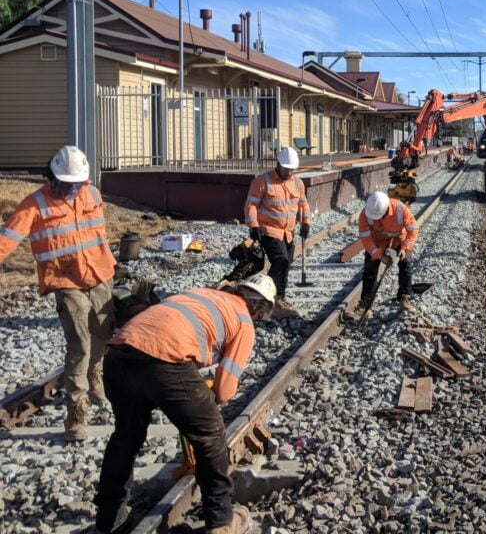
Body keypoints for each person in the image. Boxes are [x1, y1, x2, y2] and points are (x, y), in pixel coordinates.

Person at [94, 274, 277, 534]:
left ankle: (109, 522)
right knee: (210, 435)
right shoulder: (244, 322)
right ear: (261, 311)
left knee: (125, 437)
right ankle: (221, 521)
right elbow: (224, 390)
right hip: (164, 361)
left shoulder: (202, 293)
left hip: (119, 355)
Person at [0, 145, 116, 442]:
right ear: (51, 177)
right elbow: (7, 239)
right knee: (79, 343)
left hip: (100, 272)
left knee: (104, 333)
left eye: (76, 185)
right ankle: (77, 411)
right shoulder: (34, 204)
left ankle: (94, 373)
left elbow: (97, 232)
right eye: (65, 185)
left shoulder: (91, 194)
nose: (71, 191)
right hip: (63, 280)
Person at [244, 147, 311, 317]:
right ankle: (266, 298)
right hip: (269, 230)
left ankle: (279, 297)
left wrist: (306, 223)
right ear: (278, 164)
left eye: (292, 169)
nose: (289, 172)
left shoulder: (297, 183)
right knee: (280, 261)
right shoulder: (262, 181)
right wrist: (253, 225)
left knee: (286, 263)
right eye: (286, 168)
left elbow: (303, 204)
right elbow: (251, 204)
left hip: (288, 232)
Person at [356, 191, 419, 315]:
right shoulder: (366, 214)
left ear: (386, 210)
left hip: (398, 240)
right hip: (377, 242)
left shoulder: (400, 209)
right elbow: (366, 239)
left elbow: (413, 230)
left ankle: (404, 296)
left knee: (406, 263)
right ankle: (365, 304)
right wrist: (379, 255)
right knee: (370, 270)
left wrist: (405, 248)